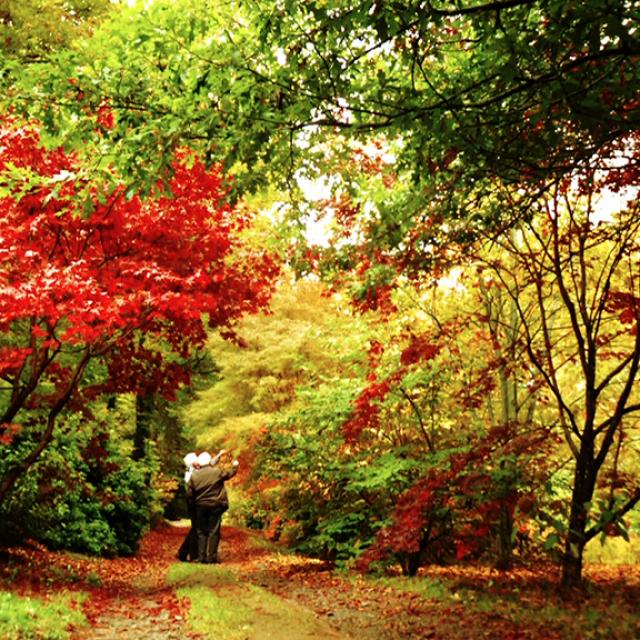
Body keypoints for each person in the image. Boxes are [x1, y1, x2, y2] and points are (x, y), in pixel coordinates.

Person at [186, 450, 239, 564]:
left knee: (201, 532)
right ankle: (212, 558)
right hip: (215, 506)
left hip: (200, 506)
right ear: (209, 461)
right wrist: (235, 466)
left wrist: (193, 505)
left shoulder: (194, 475)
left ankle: (201, 558)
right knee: (213, 531)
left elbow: (189, 493)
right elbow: (229, 474)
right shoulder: (216, 472)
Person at [178, 449, 225, 561]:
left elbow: (210, 464)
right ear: (192, 464)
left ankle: (186, 553)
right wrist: (193, 504)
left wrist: (218, 455)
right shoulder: (191, 474)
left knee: (196, 530)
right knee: (197, 530)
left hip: (198, 504)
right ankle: (191, 554)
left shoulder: (198, 469)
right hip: (195, 504)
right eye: (196, 462)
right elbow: (190, 493)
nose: (199, 463)